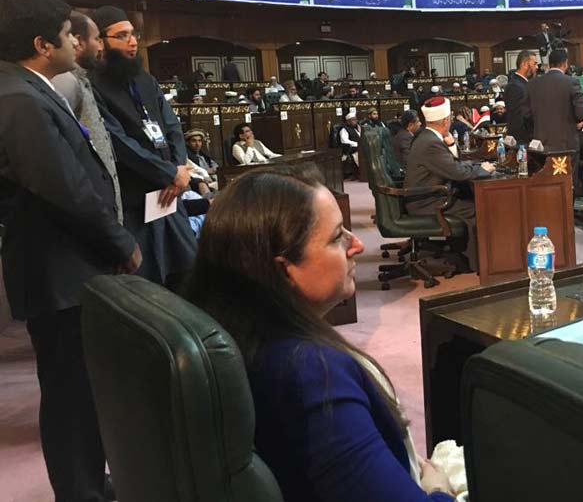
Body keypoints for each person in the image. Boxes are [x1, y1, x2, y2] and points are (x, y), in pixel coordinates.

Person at [179, 167, 460, 501]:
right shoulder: (312, 374)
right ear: (284, 269)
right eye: (337, 236)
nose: (356, 245)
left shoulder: (238, 332)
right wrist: (439, 490)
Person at [0, 0, 140, 502]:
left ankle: (87, 484)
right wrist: (120, 242)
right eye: (66, 35)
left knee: (79, 390)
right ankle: (81, 492)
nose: (76, 41)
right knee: (71, 394)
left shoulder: (25, 89)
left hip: (63, 269)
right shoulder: (18, 98)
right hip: (60, 273)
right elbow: (66, 189)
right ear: (42, 44)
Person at [89, 5, 197, 285]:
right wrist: (169, 173)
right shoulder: (93, 86)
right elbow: (117, 142)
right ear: (101, 41)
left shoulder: (144, 78)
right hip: (138, 199)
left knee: (187, 274)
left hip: (171, 195)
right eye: (122, 36)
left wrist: (179, 168)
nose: (133, 41)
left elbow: (171, 125)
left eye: (133, 34)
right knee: (149, 283)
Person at [403, 97, 495, 273]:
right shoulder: (430, 143)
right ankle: (480, 265)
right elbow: (458, 172)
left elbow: (451, 165)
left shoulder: (426, 136)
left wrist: (452, 144)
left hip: (423, 197)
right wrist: (483, 170)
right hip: (427, 202)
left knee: (468, 196)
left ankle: (463, 256)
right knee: (481, 208)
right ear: (446, 120)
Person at [51, 11, 123, 222]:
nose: (101, 47)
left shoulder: (83, 79)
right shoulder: (65, 83)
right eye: (97, 39)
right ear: (79, 42)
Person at [526, 48, 583, 153]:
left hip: (539, 144)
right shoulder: (572, 82)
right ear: (565, 63)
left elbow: (527, 115)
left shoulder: (532, 84)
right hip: (566, 145)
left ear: (549, 64)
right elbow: (581, 113)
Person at [504, 49, 537, 146]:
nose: (537, 67)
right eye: (534, 64)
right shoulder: (515, 86)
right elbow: (520, 117)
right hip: (522, 139)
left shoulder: (523, 84)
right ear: (524, 64)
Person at [339, 111, 362, 176]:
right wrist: (357, 144)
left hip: (360, 147)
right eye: (353, 120)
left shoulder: (358, 127)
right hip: (351, 149)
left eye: (356, 119)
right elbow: (344, 141)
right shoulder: (344, 129)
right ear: (348, 121)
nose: (355, 121)